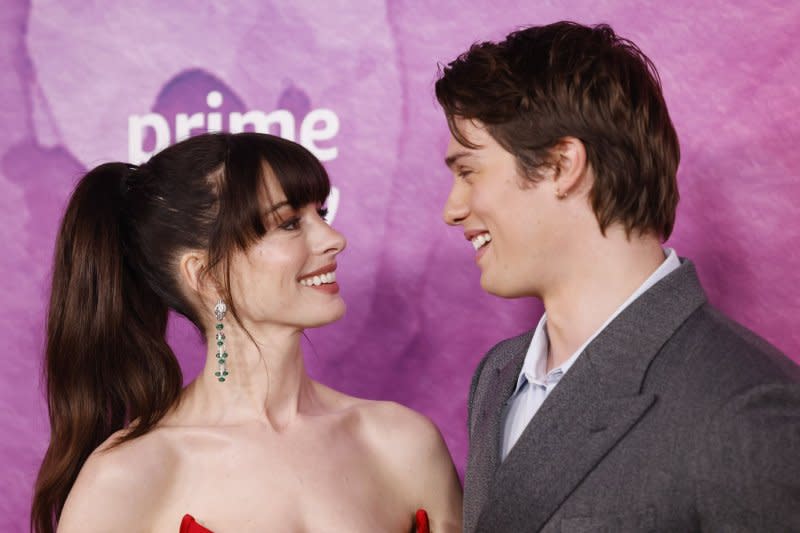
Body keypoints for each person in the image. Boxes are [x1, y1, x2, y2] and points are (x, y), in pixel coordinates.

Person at [436, 21, 800, 532]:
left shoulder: (746, 410)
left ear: (562, 165)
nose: (452, 209)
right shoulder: (498, 377)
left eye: (468, 172)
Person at [31, 132, 462, 533]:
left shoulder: (404, 444)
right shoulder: (128, 475)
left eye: (321, 213)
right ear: (205, 276)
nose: (334, 239)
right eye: (290, 223)